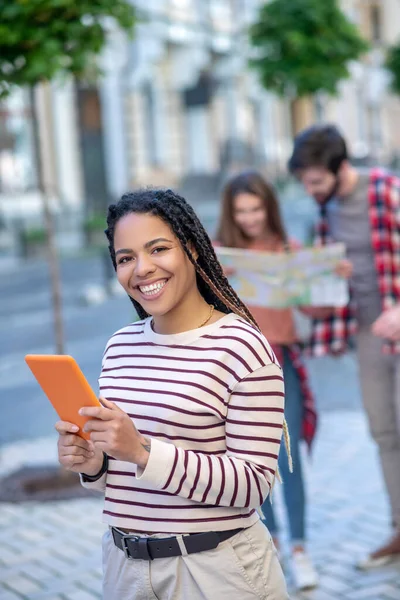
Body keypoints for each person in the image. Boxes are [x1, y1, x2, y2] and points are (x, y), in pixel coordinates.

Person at [55, 188, 290, 600]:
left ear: (194, 250)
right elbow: (126, 478)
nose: (142, 269)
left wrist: (143, 451)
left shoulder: (241, 347)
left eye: (158, 249)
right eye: (125, 258)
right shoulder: (120, 346)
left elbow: (253, 485)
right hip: (124, 568)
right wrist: (94, 465)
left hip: (216, 572)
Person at [288, 123, 400, 569]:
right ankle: (398, 527)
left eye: (315, 180)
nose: (309, 189)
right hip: (367, 337)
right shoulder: (323, 214)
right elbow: (323, 292)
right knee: (383, 432)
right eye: (304, 182)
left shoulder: (387, 191)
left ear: (339, 168)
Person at [216, 171, 320, 591]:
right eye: (241, 211)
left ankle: (299, 550)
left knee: (287, 460)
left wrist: (324, 280)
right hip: (236, 367)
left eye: (256, 208)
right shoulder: (218, 255)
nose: (250, 218)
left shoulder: (287, 250)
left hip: (281, 362)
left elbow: (316, 312)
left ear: (269, 207)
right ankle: (270, 545)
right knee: (249, 462)